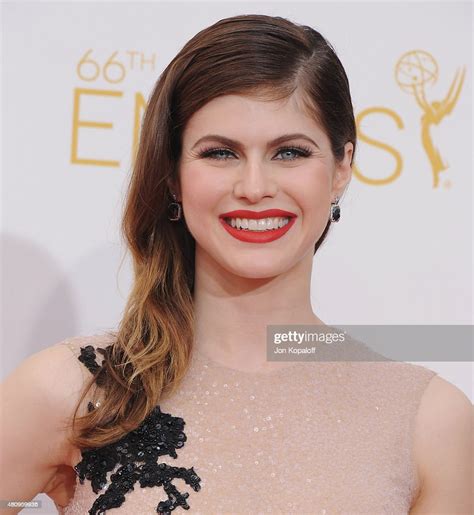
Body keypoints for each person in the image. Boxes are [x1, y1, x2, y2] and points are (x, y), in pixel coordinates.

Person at [1, 13, 472, 515]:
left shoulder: (428, 421)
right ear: (173, 176)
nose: (253, 187)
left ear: (341, 169)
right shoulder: (72, 392)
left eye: (290, 152)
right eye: (220, 153)